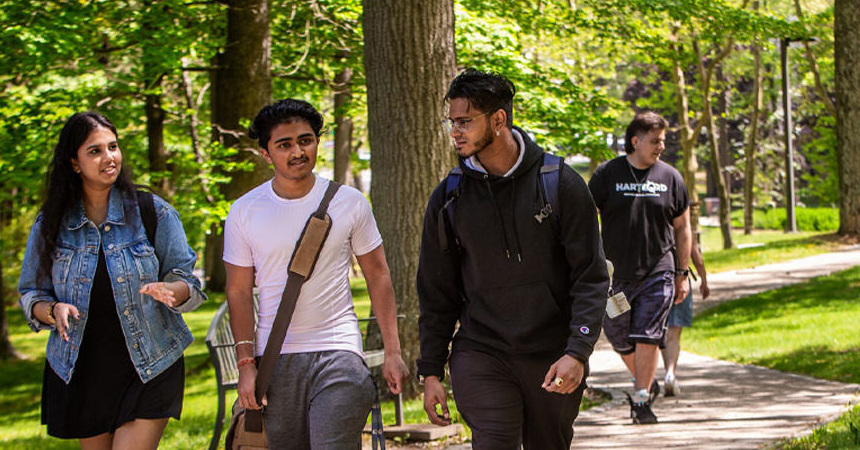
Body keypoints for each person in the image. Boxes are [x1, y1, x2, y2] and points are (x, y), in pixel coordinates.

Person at [417, 69, 608, 450]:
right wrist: (431, 371)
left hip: (551, 352)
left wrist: (578, 351)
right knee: (495, 441)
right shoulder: (449, 197)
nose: (455, 131)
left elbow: (590, 276)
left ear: (499, 119)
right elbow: (437, 291)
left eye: (465, 122)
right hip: (481, 349)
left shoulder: (560, 183)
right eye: (452, 122)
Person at [222, 99, 408, 450]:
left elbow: (378, 275)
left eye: (305, 140)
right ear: (266, 153)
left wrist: (393, 351)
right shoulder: (244, 211)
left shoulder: (349, 202)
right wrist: (246, 366)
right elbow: (238, 292)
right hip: (274, 359)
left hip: (339, 351)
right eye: (285, 144)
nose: (298, 151)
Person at [17, 111, 207, 449]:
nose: (109, 157)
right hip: (82, 369)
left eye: (113, 147)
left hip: (150, 362)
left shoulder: (153, 211)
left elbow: (186, 280)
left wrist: (171, 291)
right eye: (95, 151)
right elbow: (31, 292)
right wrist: (52, 310)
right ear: (74, 163)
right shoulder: (51, 222)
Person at [587, 111, 692, 424]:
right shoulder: (607, 174)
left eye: (663, 140)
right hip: (615, 279)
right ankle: (648, 382)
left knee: (647, 335)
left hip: (657, 274)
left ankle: (642, 398)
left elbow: (683, 228)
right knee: (618, 334)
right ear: (635, 141)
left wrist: (682, 273)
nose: (661, 146)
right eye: (655, 140)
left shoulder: (670, 177)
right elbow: (586, 219)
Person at [661, 240, 708, 397]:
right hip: (680, 283)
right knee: (673, 336)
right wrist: (704, 282)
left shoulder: (657, 224)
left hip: (659, 282)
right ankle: (670, 373)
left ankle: (664, 373)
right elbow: (697, 259)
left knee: (664, 333)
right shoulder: (683, 229)